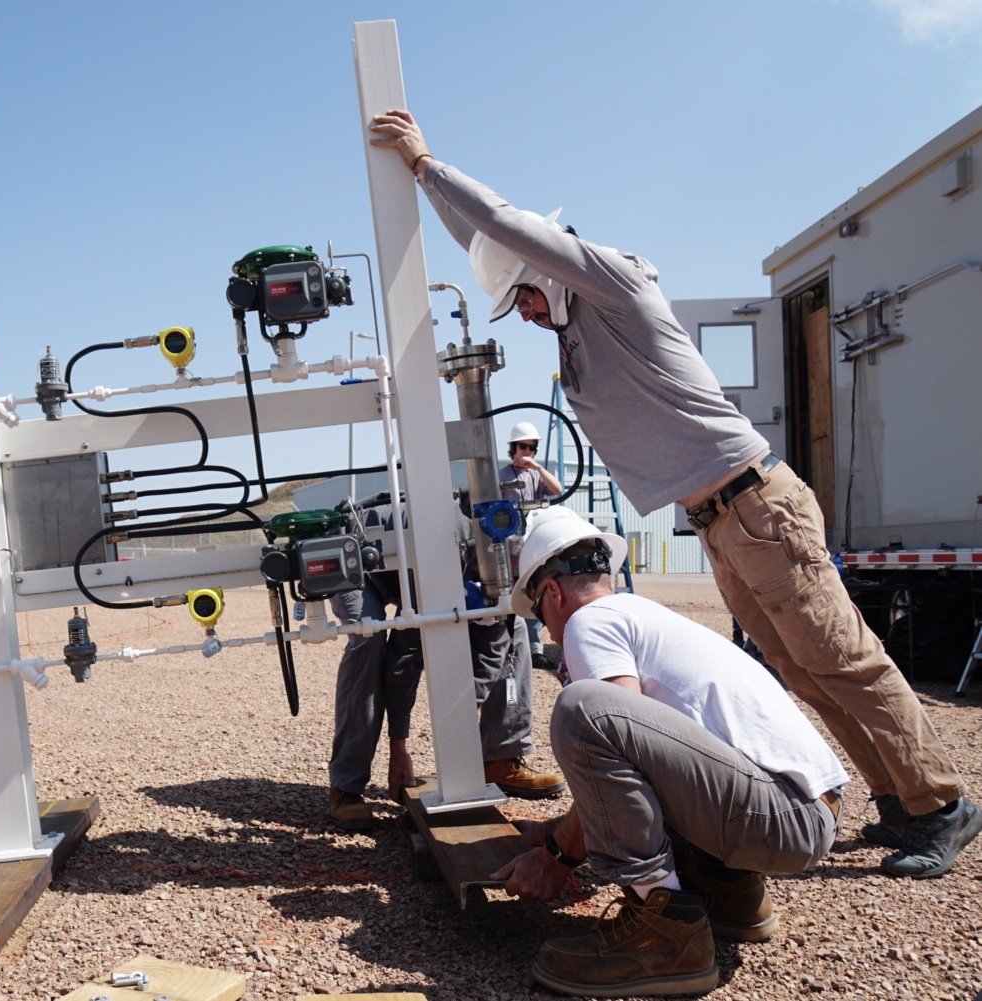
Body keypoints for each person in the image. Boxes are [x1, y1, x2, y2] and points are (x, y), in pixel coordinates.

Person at [368, 108, 981, 880]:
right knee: (803, 667)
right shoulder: (574, 323)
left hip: (755, 504)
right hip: (722, 519)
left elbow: (506, 228)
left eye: (521, 299)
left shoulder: (614, 287)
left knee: (846, 660)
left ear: (548, 274)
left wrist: (427, 166)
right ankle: (897, 799)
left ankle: (940, 805)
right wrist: (442, 206)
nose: (521, 315)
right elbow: (492, 246)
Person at [490, 507, 847, 997]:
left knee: (582, 709)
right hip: (803, 810)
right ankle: (729, 892)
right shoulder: (645, 615)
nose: (548, 630)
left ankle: (667, 936)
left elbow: (608, 730)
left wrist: (558, 857)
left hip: (779, 820)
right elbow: (647, 760)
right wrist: (562, 830)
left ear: (551, 592)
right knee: (621, 731)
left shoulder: (589, 622)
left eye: (539, 613)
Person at [327, 493, 565, 829]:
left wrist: (458, 727)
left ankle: (500, 756)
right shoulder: (445, 557)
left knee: (517, 636)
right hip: (357, 555)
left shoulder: (507, 558)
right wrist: (400, 748)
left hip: (426, 562)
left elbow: (492, 653)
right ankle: (346, 784)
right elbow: (404, 661)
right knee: (369, 639)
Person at [499, 421, 562, 672]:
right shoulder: (502, 476)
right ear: (513, 447)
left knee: (532, 591)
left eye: (532, 448)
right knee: (508, 593)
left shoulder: (536, 474)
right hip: (507, 546)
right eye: (524, 446)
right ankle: (509, 646)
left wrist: (537, 467)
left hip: (531, 542)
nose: (528, 452)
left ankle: (533, 650)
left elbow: (557, 490)